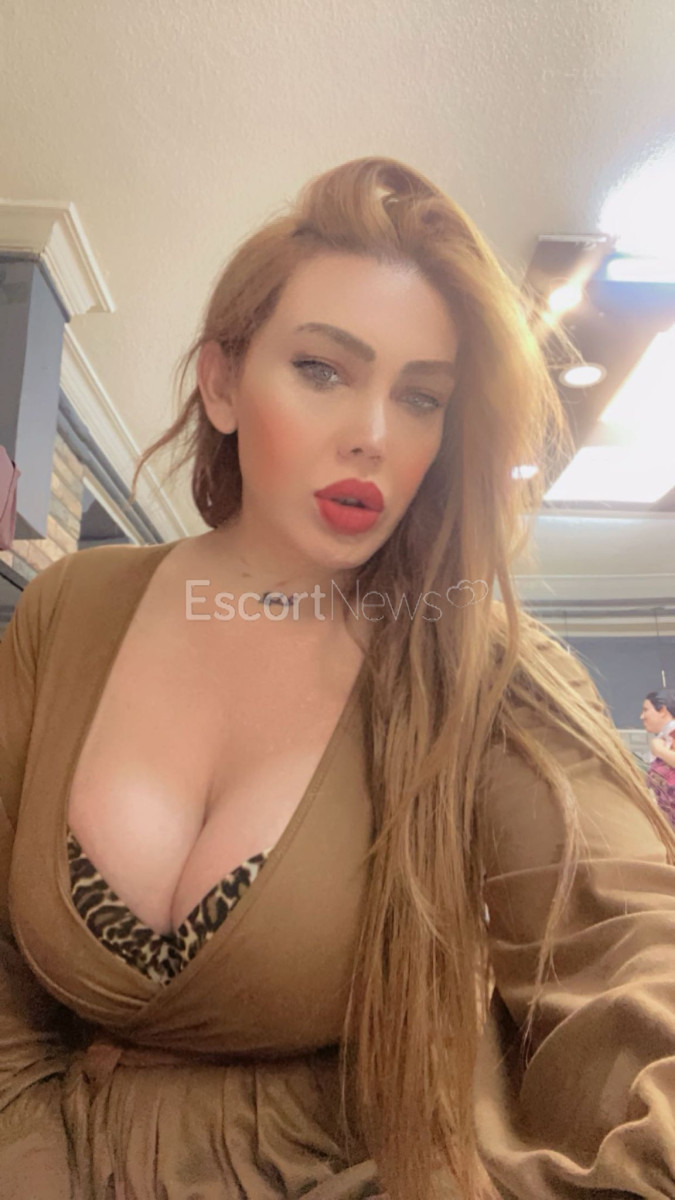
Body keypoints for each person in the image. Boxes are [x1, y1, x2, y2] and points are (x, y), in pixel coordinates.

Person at [2, 157, 675, 1200]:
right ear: (223, 383)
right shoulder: (70, 609)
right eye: (322, 369)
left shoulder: (474, 663)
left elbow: (626, 942)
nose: (373, 433)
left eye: (421, 397)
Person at [642, 689, 675, 827]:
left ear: (662, 710)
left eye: (646, 710)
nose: (642, 716)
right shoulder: (665, 739)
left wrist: (660, 750)